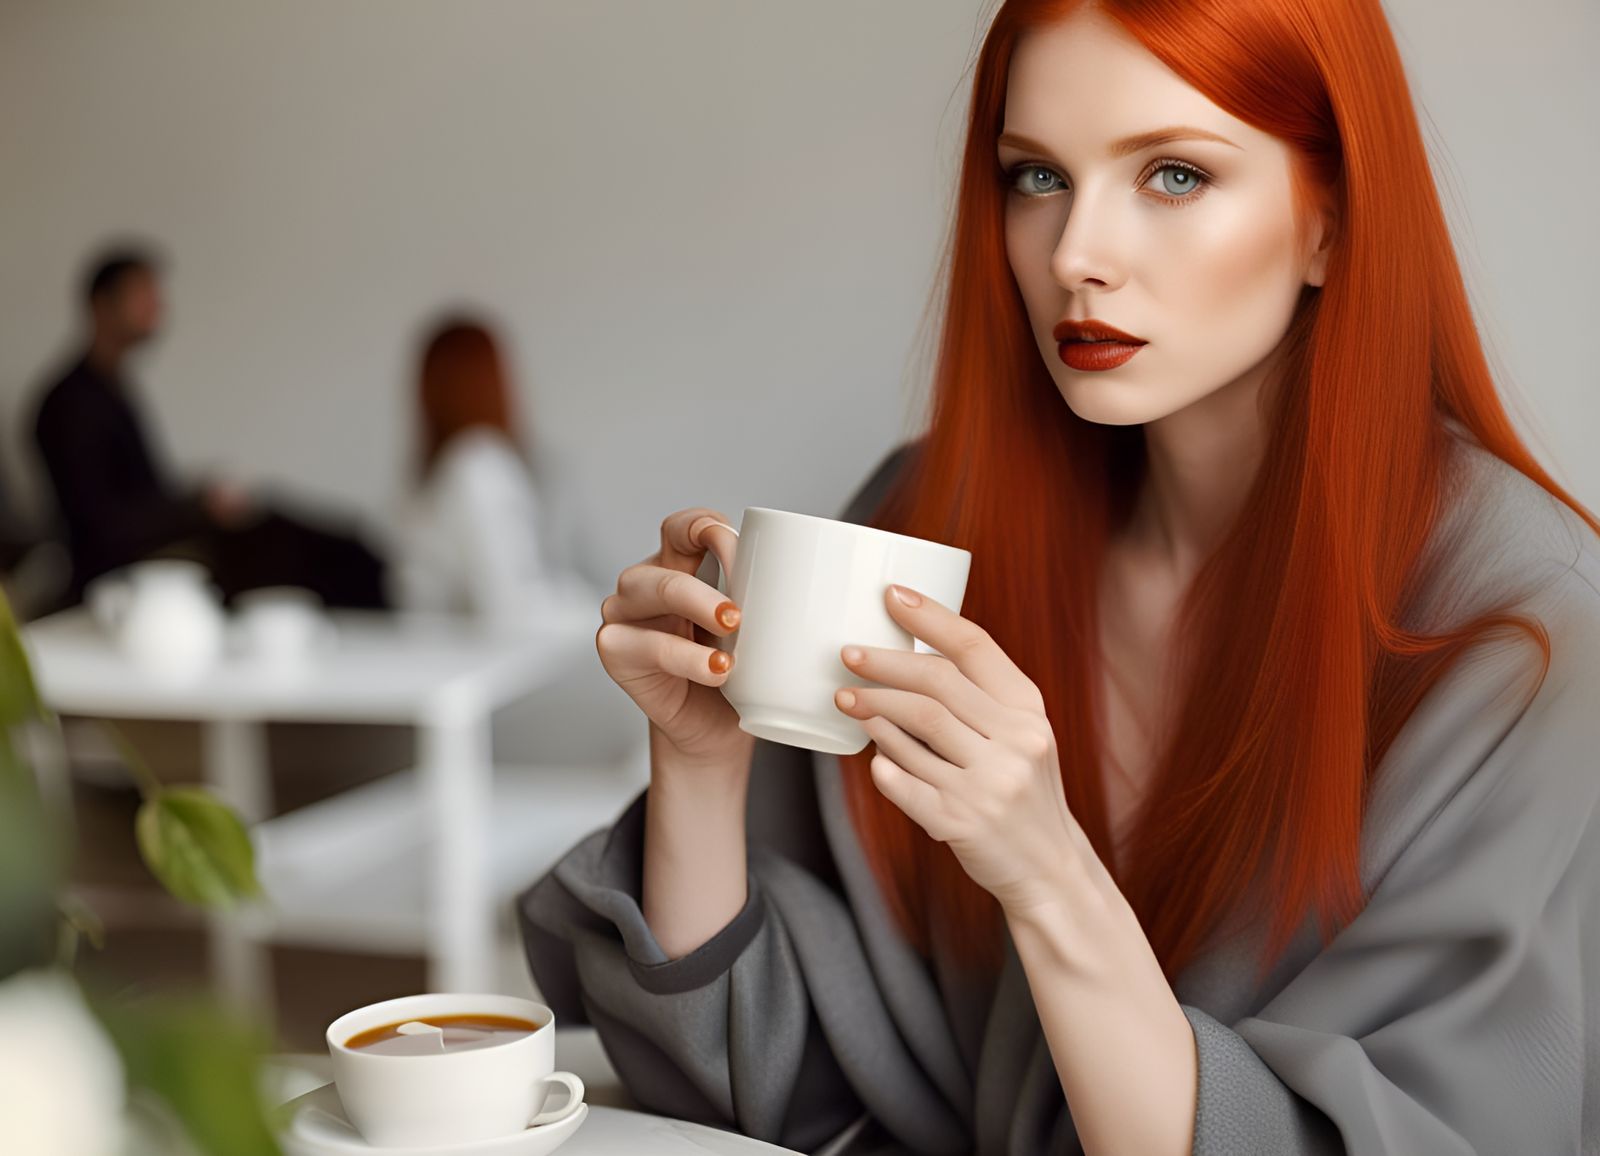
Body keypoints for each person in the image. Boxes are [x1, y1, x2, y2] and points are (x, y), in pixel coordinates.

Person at [518, 2, 1600, 1153]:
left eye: (1174, 176)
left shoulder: (1522, 630)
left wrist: (1046, 874)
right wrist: (698, 770)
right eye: (1035, 178)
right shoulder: (925, 526)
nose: (1076, 254)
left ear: (1330, 219)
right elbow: (749, 1084)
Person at [30, 245, 388, 609]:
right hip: (130, 566)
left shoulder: (112, 389)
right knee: (287, 542)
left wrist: (198, 498)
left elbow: (141, 497)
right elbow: (101, 525)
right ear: (102, 305)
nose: (158, 307)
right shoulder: (70, 403)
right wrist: (197, 505)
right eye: (144, 295)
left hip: (161, 543)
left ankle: (367, 560)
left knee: (277, 519)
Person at [389, 316, 600, 630]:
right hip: (462, 667)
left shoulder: (453, 471)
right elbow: (512, 607)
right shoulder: (479, 467)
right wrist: (610, 609)